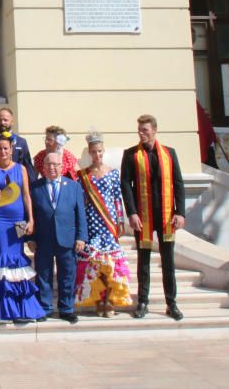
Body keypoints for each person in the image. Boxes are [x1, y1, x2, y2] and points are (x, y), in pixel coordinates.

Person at [120, 114, 186, 321]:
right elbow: (126, 185)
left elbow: (179, 183)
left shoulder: (169, 154)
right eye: (139, 130)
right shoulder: (131, 154)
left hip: (166, 215)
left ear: (154, 130)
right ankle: (142, 301)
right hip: (143, 216)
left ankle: (171, 303)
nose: (142, 134)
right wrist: (131, 212)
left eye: (145, 130)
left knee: (168, 261)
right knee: (144, 261)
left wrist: (180, 212)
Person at [0, 136, 46, 323]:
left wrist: (30, 219)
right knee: (3, 256)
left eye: (6, 148)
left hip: (19, 219)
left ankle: (21, 308)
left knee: (17, 257)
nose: (3, 152)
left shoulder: (21, 169)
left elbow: (26, 196)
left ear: (11, 150)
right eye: (0, 149)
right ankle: (1, 308)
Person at [75, 131, 132, 318]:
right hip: (91, 223)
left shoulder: (113, 174)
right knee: (95, 264)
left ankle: (109, 300)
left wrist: (120, 220)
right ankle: (98, 300)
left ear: (103, 151)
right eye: (93, 152)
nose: (97, 155)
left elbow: (117, 198)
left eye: (99, 151)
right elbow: (81, 202)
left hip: (108, 224)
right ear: (89, 153)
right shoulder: (83, 175)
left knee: (110, 264)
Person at [28, 152, 87, 324]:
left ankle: (66, 309)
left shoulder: (74, 186)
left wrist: (81, 237)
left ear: (62, 167)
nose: (52, 167)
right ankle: (45, 308)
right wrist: (29, 238)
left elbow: (80, 215)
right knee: (43, 275)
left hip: (67, 239)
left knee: (67, 275)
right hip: (43, 239)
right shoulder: (34, 187)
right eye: (48, 164)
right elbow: (28, 214)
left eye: (55, 164)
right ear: (43, 167)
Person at [0, 107, 34, 181]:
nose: (2, 122)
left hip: (18, 185)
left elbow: (28, 167)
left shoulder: (21, 142)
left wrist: (32, 187)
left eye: (5, 120)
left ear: (12, 122)